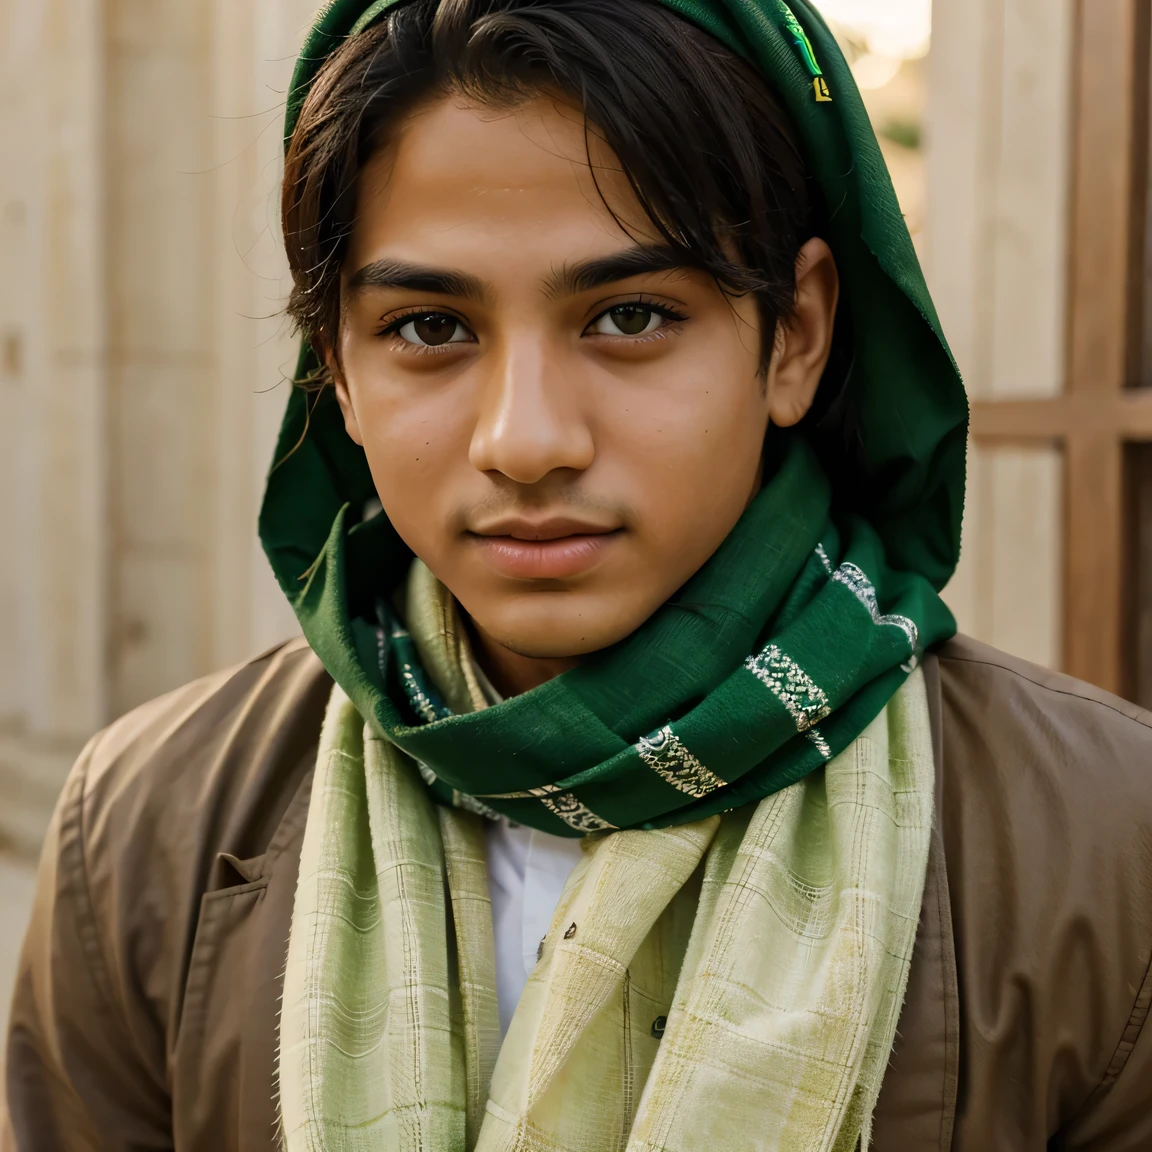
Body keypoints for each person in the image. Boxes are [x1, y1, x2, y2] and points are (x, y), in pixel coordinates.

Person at [5, 0, 1152, 1148]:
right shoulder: (147, 837)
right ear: (338, 375)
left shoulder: (1105, 850)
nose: (525, 439)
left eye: (632, 315)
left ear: (794, 335)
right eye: (429, 329)